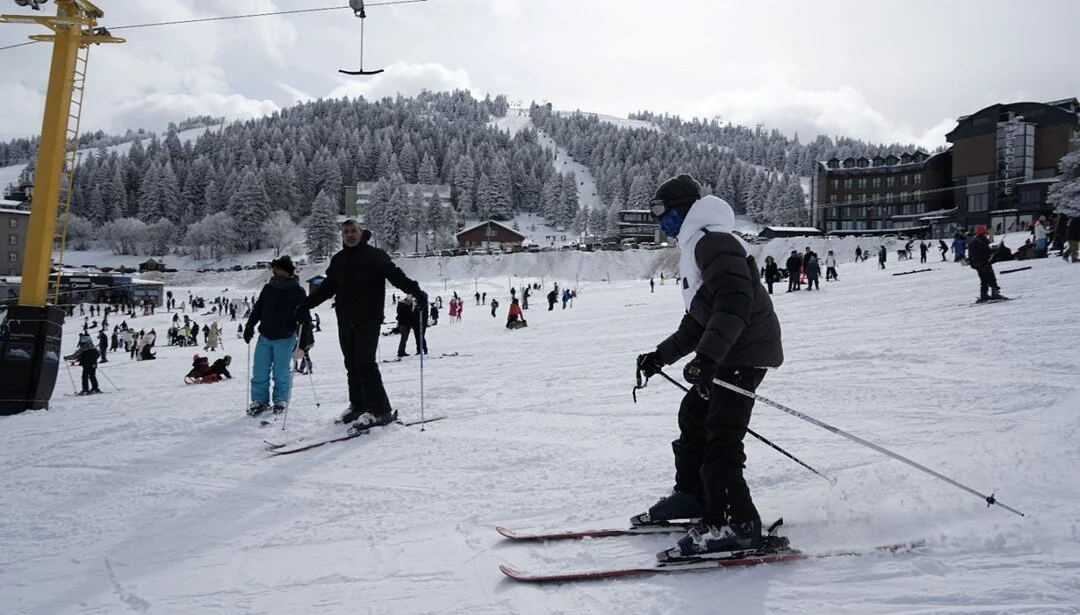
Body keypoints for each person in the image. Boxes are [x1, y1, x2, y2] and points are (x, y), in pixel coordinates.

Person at [634, 174, 784, 558]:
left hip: (743, 352)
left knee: (722, 434)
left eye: (659, 210)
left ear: (681, 208)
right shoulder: (699, 244)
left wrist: (707, 359)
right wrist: (660, 356)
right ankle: (694, 495)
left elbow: (735, 304)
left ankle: (735, 522)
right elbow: (699, 319)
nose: (657, 219)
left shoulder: (713, 242)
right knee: (695, 414)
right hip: (730, 351)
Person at [300, 220, 425, 432]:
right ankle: (358, 406)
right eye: (346, 232)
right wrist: (305, 305)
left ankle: (380, 410)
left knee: (365, 363)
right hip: (344, 318)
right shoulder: (338, 260)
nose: (349, 235)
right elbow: (327, 289)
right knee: (351, 364)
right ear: (342, 235)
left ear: (361, 232)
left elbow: (396, 276)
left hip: (369, 318)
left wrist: (415, 291)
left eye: (353, 231)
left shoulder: (375, 255)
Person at [244, 255, 314, 416]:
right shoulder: (269, 288)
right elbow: (259, 308)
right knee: (260, 371)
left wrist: (303, 343)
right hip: (265, 336)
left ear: (288, 271)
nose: (276, 272)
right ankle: (259, 400)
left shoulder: (297, 291)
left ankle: (280, 399)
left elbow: (305, 319)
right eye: (274, 269)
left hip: (285, 337)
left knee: (281, 372)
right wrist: (249, 325)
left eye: (279, 269)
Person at [969, 225, 1005, 302]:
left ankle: (984, 294)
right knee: (991, 278)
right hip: (983, 263)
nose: (986, 234)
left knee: (984, 279)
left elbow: (975, 253)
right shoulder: (981, 240)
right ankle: (995, 294)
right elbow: (985, 252)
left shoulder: (973, 241)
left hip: (976, 264)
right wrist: (994, 251)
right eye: (985, 233)